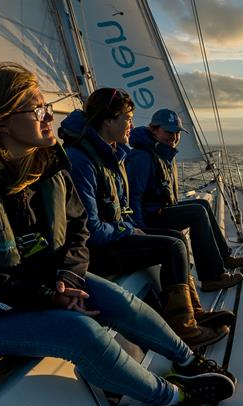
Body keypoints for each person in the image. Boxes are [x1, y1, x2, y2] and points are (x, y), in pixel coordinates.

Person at [0, 62, 235, 406]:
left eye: (47, 107)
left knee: (120, 301)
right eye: (37, 109)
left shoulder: (46, 168)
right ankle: (175, 395)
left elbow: (76, 229)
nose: (48, 117)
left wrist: (66, 277)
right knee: (80, 333)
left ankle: (187, 361)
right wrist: (41, 296)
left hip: (44, 284)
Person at [58, 87, 234, 348]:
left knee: (174, 238)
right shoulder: (81, 160)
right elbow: (90, 230)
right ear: (108, 119)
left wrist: (128, 227)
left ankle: (192, 312)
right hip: (97, 251)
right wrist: (130, 230)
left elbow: (122, 207)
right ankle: (184, 329)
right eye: (127, 118)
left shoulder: (111, 153)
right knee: (172, 245)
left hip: (114, 237)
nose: (131, 124)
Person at [126, 109, 243, 292]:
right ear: (154, 130)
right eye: (168, 132)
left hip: (161, 211)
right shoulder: (142, 156)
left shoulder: (163, 153)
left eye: (176, 133)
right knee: (196, 213)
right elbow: (133, 197)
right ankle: (211, 277)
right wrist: (140, 230)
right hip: (148, 219)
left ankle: (223, 257)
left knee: (202, 204)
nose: (173, 137)